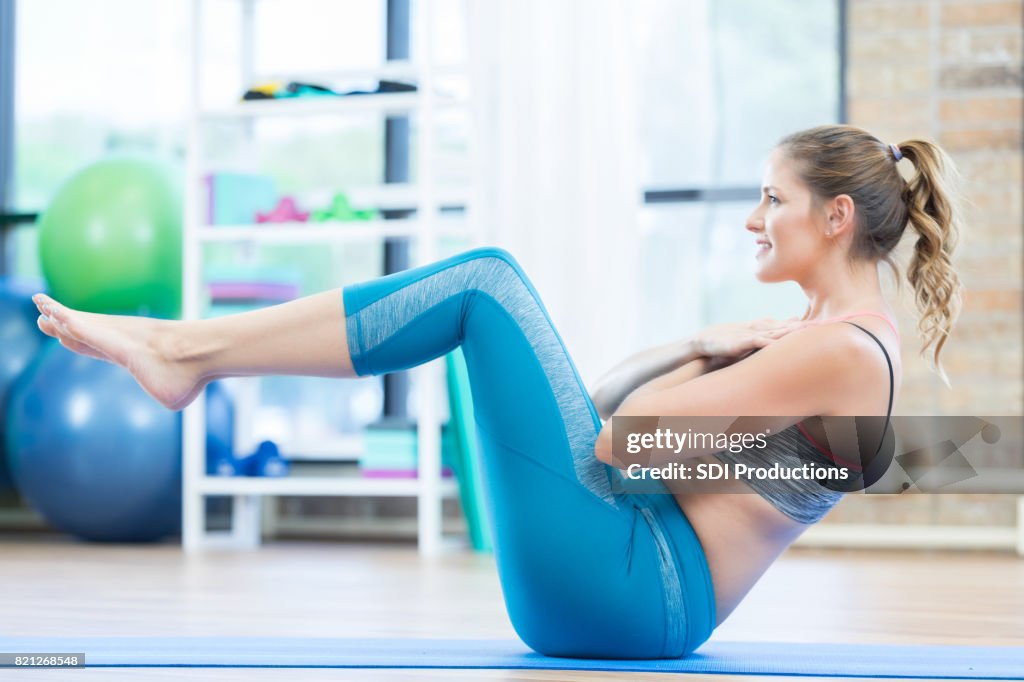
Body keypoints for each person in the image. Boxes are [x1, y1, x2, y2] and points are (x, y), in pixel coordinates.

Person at [31, 124, 962, 660]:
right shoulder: (817, 341)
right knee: (483, 287)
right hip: (624, 580)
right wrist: (696, 344)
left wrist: (703, 361)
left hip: (635, 590)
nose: (754, 220)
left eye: (774, 200)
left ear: (837, 217)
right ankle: (189, 352)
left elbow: (616, 440)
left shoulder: (842, 352)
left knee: (484, 283)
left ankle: (188, 352)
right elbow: (602, 414)